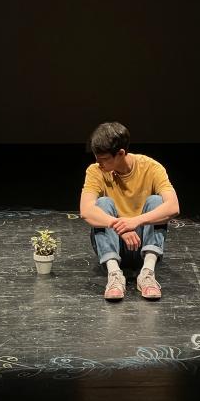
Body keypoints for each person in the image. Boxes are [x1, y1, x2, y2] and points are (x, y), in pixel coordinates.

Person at [79, 122, 180, 301]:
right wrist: (120, 226)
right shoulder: (95, 171)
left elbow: (173, 207)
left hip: (143, 245)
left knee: (157, 201)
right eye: (97, 158)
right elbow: (86, 210)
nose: (98, 163)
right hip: (113, 246)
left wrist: (135, 221)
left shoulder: (151, 167)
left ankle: (147, 273)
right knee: (102, 203)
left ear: (120, 154)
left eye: (103, 159)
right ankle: (114, 275)